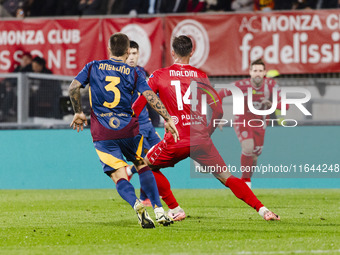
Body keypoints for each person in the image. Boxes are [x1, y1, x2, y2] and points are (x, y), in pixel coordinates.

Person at [133, 35, 280, 221]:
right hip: (200, 139)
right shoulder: (200, 76)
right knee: (227, 177)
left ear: (172, 52)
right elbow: (218, 110)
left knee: (144, 165)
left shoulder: (159, 75)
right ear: (192, 52)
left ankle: (175, 208)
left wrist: (128, 125)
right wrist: (207, 132)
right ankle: (264, 210)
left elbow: (140, 103)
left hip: (175, 139)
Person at [68, 33, 177, 228]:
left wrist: (79, 113)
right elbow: (150, 95)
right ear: (128, 51)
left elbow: (73, 87)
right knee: (141, 164)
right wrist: (167, 118)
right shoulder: (134, 72)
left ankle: (136, 203)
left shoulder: (93, 66)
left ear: (109, 49)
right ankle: (159, 210)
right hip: (129, 129)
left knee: (118, 175)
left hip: (103, 131)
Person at [218, 59, 286, 189]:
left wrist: (272, 105)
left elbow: (285, 105)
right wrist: (218, 116)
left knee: (254, 157)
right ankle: (246, 182)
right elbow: (218, 95)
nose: (258, 74)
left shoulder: (272, 85)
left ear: (265, 72)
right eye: (255, 71)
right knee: (248, 147)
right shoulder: (240, 85)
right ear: (250, 72)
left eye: (260, 71)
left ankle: (246, 179)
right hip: (242, 120)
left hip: (260, 123)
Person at [125, 40, 163, 207]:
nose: (131, 57)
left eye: (134, 54)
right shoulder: (119, 74)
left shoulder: (142, 72)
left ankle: (129, 170)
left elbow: (150, 96)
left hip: (147, 124)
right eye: (129, 54)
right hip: (134, 126)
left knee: (160, 155)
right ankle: (146, 198)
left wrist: (157, 120)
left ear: (139, 54)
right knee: (147, 160)